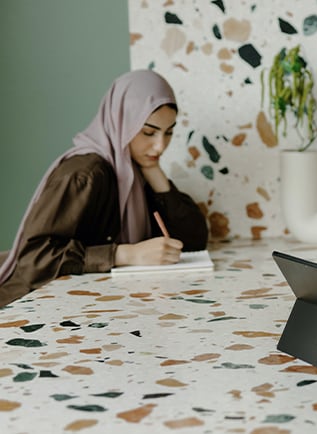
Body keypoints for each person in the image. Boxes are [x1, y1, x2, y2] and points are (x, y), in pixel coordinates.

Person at [0, 70, 208, 307]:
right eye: (149, 132)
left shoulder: (134, 169)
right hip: (24, 308)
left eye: (168, 132)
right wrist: (125, 254)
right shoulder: (85, 174)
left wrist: (154, 172)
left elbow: (194, 241)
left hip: (86, 306)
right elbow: (34, 258)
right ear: (121, 121)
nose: (160, 145)